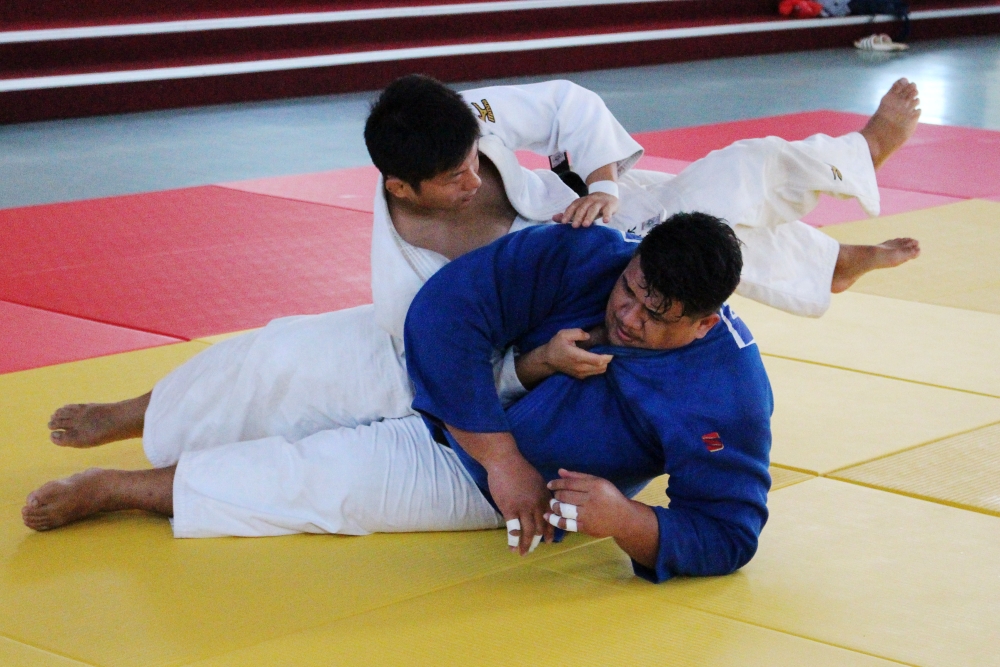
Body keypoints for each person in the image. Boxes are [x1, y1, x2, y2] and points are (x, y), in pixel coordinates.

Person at [41, 75, 920, 455]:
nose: (474, 176)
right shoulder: (404, 287)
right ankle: (132, 416)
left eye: (474, 158)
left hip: (600, 233)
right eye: (453, 178)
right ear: (399, 185)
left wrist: (605, 183)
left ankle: (857, 164)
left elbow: (570, 109)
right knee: (270, 357)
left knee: (726, 178)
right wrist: (537, 363)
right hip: (545, 316)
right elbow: (459, 359)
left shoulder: (470, 120)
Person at [24, 214, 770, 584]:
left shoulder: (727, 396)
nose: (627, 313)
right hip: (463, 373)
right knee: (280, 354)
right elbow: (445, 312)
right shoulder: (589, 252)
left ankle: (123, 488)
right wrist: (499, 444)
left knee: (317, 481)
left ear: (704, 321)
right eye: (630, 288)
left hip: (494, 484)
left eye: (654, 313)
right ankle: (144, 413)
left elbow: (729, 530)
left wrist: (628, 519)